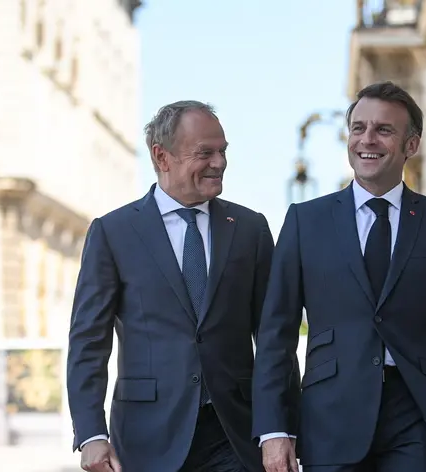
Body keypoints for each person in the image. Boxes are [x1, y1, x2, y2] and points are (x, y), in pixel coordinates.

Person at [251, 81, 426, 472]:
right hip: (329, 418)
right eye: (358, 128)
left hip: (417, 416)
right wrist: (273, 429)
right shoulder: (305, 221)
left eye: (384, 130)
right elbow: (275, 334)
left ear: (411, 145)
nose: (367, 139)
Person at [67, 101, 277, 472]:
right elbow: (88, 341)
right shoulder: (113, 232)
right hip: (146, 438)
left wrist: (278, 427)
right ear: (161, 156)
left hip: (235, 435)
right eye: (205, 153)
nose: (219, 163)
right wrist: (91, 434)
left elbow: (273, 335)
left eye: (223, 151)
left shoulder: (250, 229)